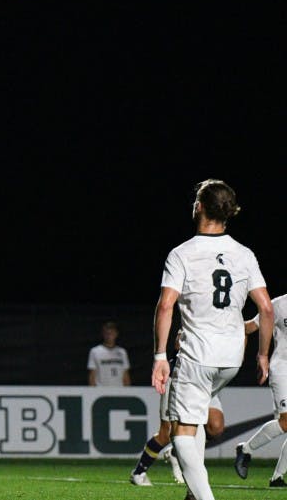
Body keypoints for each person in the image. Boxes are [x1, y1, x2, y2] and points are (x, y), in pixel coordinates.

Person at [151, 178, 274, 500]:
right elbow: (265, 309)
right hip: (232, 357)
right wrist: (262, 356)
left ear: (200, 207)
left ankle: (204, 497)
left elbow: (165, 305)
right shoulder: (244, 254)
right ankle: (194, 494)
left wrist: (160, 356)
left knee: (181, 432)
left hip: (197, 354)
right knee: (200, 416)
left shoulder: (183, 253)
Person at [130, 324, 251, 486]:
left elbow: (247, 329)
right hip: (181, 378)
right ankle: (138, 472)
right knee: (166, 434)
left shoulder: (228, 321)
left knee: (216, 427)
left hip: (207, 382)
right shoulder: (197, 317)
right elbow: (179, 343)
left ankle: (176, 452)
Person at [234, 296, 287, 487]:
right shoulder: (279, 305)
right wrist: (219, 325)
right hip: (283, 369)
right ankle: (245, 449)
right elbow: (251, 327)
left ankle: (277, 478)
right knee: (286, 421)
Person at [87, 321, 131, 386]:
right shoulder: (95, 351)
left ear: (116, 334)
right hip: (102, 390)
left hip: (119, 390)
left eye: (112, 333)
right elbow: (92, 375)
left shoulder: (122, 352)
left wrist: (128, 391)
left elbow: (125, 374)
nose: (109, 336)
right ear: (103, 334)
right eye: (107, 333)